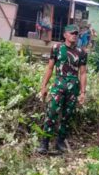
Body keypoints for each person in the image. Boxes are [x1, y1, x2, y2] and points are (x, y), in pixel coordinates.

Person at [38, 24, 88, 155]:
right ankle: (45, 142)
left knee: (67, 116)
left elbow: (83, 73)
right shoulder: (57, 48)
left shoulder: (81, 52)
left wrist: (83, 92)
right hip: (59, 84)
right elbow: (50, 68)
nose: (74, 35)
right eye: (72, 33)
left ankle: (60, 142)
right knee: (52, 112)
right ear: (65, 34)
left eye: (76, 33)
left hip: (73, 87)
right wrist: (44, 86)